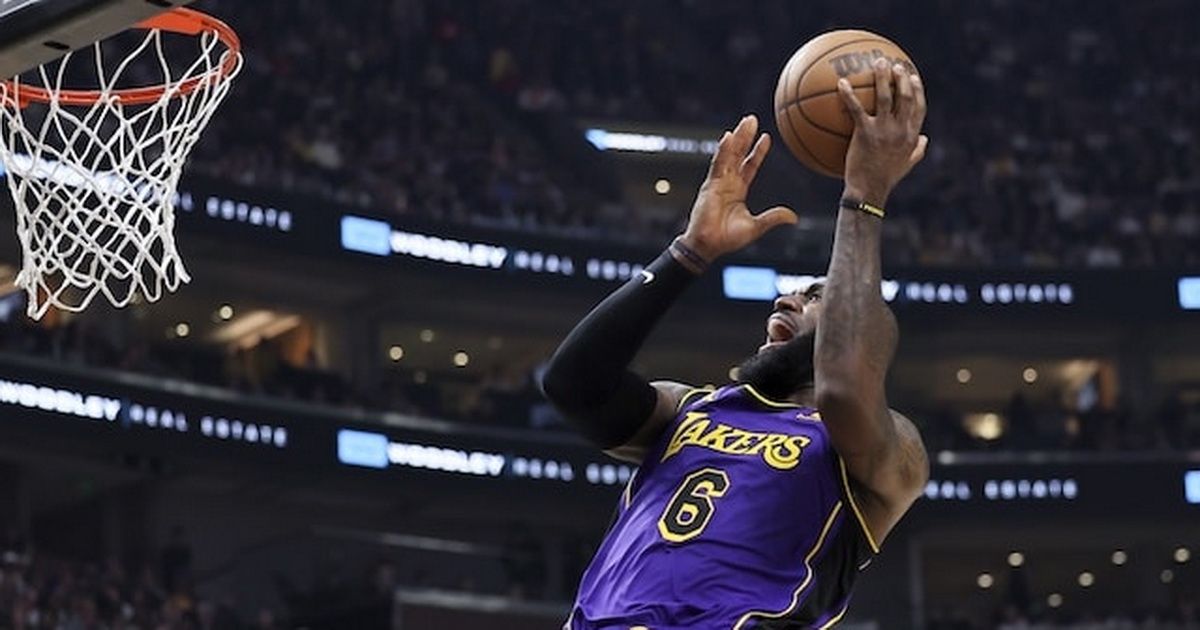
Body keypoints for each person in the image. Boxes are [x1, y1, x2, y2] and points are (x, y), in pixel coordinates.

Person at [541, 58, 930, 629]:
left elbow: (845, 386)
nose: (786, 300)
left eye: (815, 297)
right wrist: (689, 252)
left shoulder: (891, 448)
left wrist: (864, 195)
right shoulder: (689, 409)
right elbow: (573, 384)